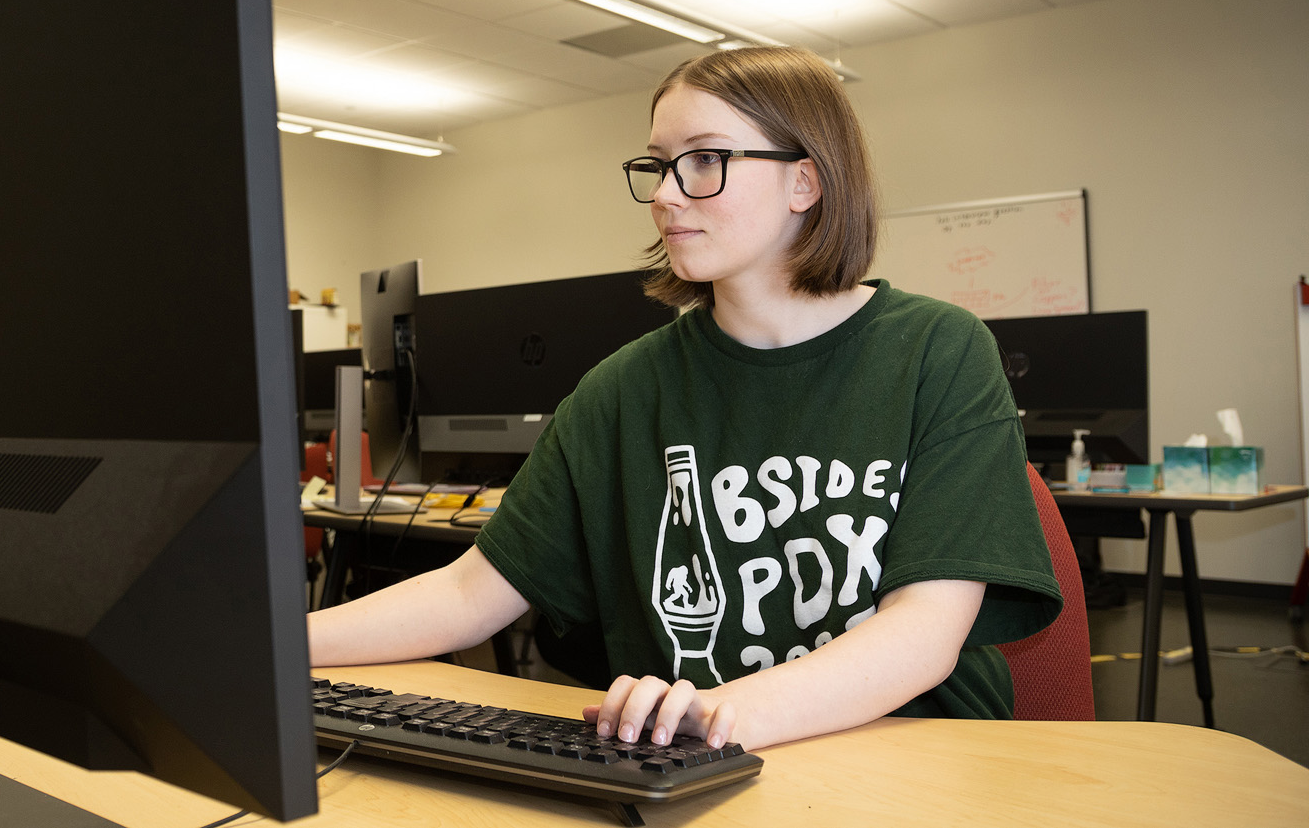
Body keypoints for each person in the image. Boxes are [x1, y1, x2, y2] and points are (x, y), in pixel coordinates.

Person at [306, 46, 1061, 752]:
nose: (666, 194)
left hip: (910, 763)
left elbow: (925, 629)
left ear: (806, 179)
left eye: (705, 160)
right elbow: (472, 592)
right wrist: (276, 642)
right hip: (696, 771)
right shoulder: (622, 390)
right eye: (659, 165)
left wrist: (726, 712)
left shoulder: (938, 349)